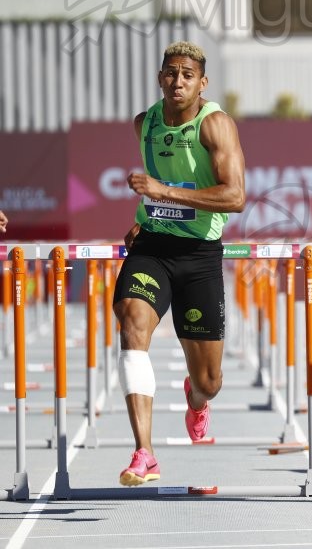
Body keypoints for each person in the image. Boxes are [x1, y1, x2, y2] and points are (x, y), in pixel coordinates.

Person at [113, 41, 246, 486]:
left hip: (199, 256)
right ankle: (144, 452)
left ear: (202, 83)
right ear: (160, 78)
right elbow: (156, 189)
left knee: (209, 379)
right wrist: (145, 215)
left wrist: (160, 193)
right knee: (132, 325)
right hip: (153, 247)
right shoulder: (144, 123)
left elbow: (235, 197)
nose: (178, 81)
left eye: (188, 74)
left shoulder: (216, 126)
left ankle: (197, 400)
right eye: (171, 73)